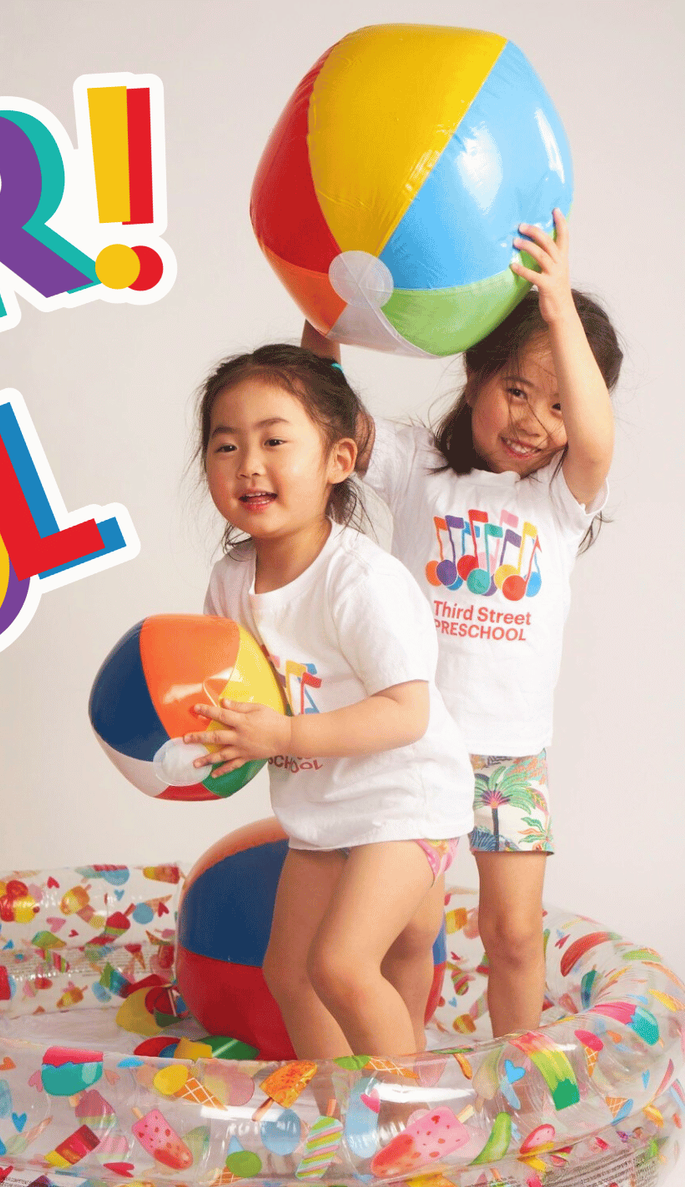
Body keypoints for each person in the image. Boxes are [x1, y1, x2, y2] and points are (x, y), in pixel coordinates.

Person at [305, 210, 621, 1038]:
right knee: (412, 934)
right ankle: (402, 1088)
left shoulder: (559, 503)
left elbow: (595, 440)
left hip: (511, 754)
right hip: (414, 745)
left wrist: (557, 310)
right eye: (516, 388)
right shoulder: (418, 467)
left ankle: (520, 1087)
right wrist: (321, 318)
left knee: (513, 932)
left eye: (555, 404)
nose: (532, 421)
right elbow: (326, 415)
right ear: (475, 374)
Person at [185, 345, 473, 1058]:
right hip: (322, 804)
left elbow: (407, 711)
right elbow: (230, 688)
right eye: (226, 445)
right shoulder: (230, 580)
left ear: (339, 460)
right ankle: (339, 1108)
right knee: (290, 971)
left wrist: (282, 730)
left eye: (275, 440)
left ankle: (413, 1119)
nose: (249, 463)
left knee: (340, 965)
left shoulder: (359, 581)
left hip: (407, 798)